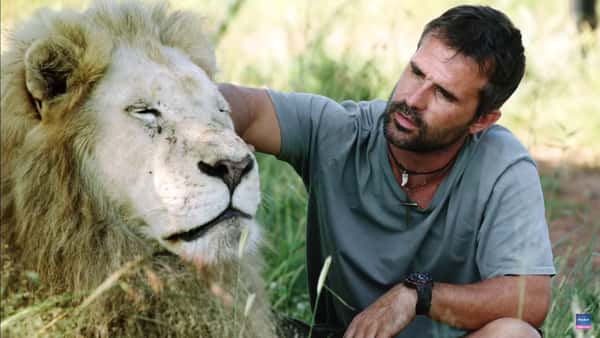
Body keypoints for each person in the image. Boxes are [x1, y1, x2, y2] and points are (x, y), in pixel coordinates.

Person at [219, 5, 555, 338]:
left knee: (514, 334)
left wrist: (416, 296)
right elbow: (246, 106)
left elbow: (532, 298)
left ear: (481, 121)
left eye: (443, 94)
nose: (414, 99)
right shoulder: (338, 132)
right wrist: (194, 110)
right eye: (417, 72)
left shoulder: (504, 167)